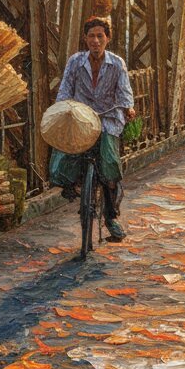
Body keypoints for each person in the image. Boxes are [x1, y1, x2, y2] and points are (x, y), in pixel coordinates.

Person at [49, 16, 135, 242]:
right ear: (85, 39)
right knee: (65, 150)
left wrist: (128, 108)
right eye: (91, 36)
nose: (95, 41)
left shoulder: (117, 64)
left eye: (100, 36)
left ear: (107, 38)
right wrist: (62, 106)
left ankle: (111, 217)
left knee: (109, 166)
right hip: (81, 116)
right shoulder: (76, 62)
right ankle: (70, 184)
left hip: (108, 118)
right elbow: (66, 88)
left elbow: (125, 92)